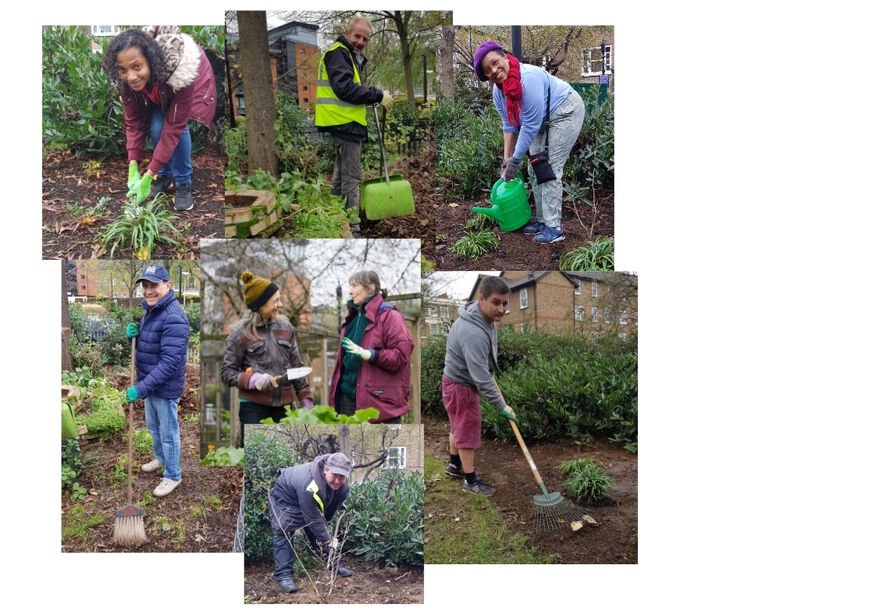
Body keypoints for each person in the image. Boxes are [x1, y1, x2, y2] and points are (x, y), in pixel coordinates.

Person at [473, 41, 586, 244]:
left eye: (495, 62)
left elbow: (530, 126)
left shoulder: (529, 79)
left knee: (548, 168)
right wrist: (507, 161)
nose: (494, 70)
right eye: (488, 70)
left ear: (505, 57)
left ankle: (554, 228)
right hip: (540, 120)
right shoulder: (498, 92)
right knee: (534, 168)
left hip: (565, 110)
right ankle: (543, 221)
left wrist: (515, 159)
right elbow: (509, 125)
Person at [103, 26, 217, 212]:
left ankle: (183, 183)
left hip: (185, 82)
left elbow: (174, 126)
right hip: (157, 86)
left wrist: (148, 175)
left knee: (175, 128)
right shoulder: (126, 81)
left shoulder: (182, 70)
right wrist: (133, 165)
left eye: (136, 67)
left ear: (150, 61)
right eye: (123, 70)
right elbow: (133, 123)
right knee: (157, 126)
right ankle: (164, 175)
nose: (130, 76)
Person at [315, 16, 393, 238]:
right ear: (348, 33)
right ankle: (354, 228)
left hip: (343, 122)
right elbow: (345, 89)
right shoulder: (338, 53)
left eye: (365, 39)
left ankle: (334, 216)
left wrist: (372, 95)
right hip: (344, 123)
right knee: (352, 177)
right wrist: (377, 95)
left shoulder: (346, 55)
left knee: (341, 175)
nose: (360, 41)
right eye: (357, 36)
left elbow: (349, 90)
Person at [441, 276, 516, 496]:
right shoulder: (472, 332)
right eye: (496, 302)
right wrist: (502, 406)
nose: (501, 309)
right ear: (481, 299)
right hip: (462, 387)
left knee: (458, 425)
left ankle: (455, 466)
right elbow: (481, 378)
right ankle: (471, 481)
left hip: (454, 382)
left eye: (505, 303)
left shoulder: (481, 318)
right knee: (467, 431)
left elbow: (483, 365)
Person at [221, 272, 314, 445]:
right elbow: (227, 373)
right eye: (276, 301)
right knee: (253, 456)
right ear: (260, 304)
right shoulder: (239, 333)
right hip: (253, 409)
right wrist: (252, 380)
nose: (281, 304)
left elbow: (297, 367)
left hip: (284, 408)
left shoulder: (286, 327)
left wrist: (306, 400)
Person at [124, 264, 189, 497]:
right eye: (146, 286)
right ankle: (161, 459)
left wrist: (140, 388)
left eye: (155, 285)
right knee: (154, 428)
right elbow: (154, 345)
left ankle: (173, 475)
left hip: (163, 387)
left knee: (168, 433)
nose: (149, 291)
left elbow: (169, 362)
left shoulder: (174, 316)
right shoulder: (153, 311)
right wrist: (138, 334)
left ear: (168, 285)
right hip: (151, 385)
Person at [329, 271, 414, 423]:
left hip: (378, 404)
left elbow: (401, 356)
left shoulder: (389, 316)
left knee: (382, 446)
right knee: (351, 446)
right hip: (347, 400)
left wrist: (371, 354)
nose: (350, 291)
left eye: (354, 286)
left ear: (370, 288)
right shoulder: (352, 319)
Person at [268, 452, 354, 593]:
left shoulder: (341, 487)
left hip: (305, 494)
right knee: (283, 529)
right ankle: (284, 576)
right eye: (334, 476)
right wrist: (328, 541)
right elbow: (314, 520)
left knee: (319, 525)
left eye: (342, 477)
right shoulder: (310, 485)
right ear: (326, 470)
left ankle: (332, 563)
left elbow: (326, 514)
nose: (338, 481)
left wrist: (325, 527)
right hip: (286, 496)